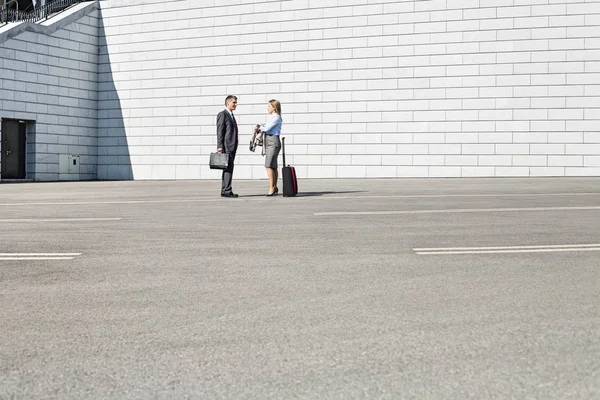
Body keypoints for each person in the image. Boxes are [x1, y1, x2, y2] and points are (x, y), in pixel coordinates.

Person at [258, 99, 282, 196]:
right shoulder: (273, 117)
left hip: (273, 142)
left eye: (269, 106)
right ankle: (274, 186)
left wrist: (259, 128)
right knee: (273, 166)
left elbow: (267, 129)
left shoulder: (276, 117)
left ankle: (272, 188)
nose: (267, 108)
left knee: (268, 165)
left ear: (274, 107)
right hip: (270, 142)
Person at [216, 95, 239, 198]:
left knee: (229, 168)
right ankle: (226, 190)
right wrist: (220, 146)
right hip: (227, 146)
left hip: (232, 146)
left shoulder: (231, 115)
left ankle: (225, 189)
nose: (235, 104)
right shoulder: (223, 114)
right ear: (228, 103)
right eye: (234, 102)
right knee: (228, 168)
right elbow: (220, 131)